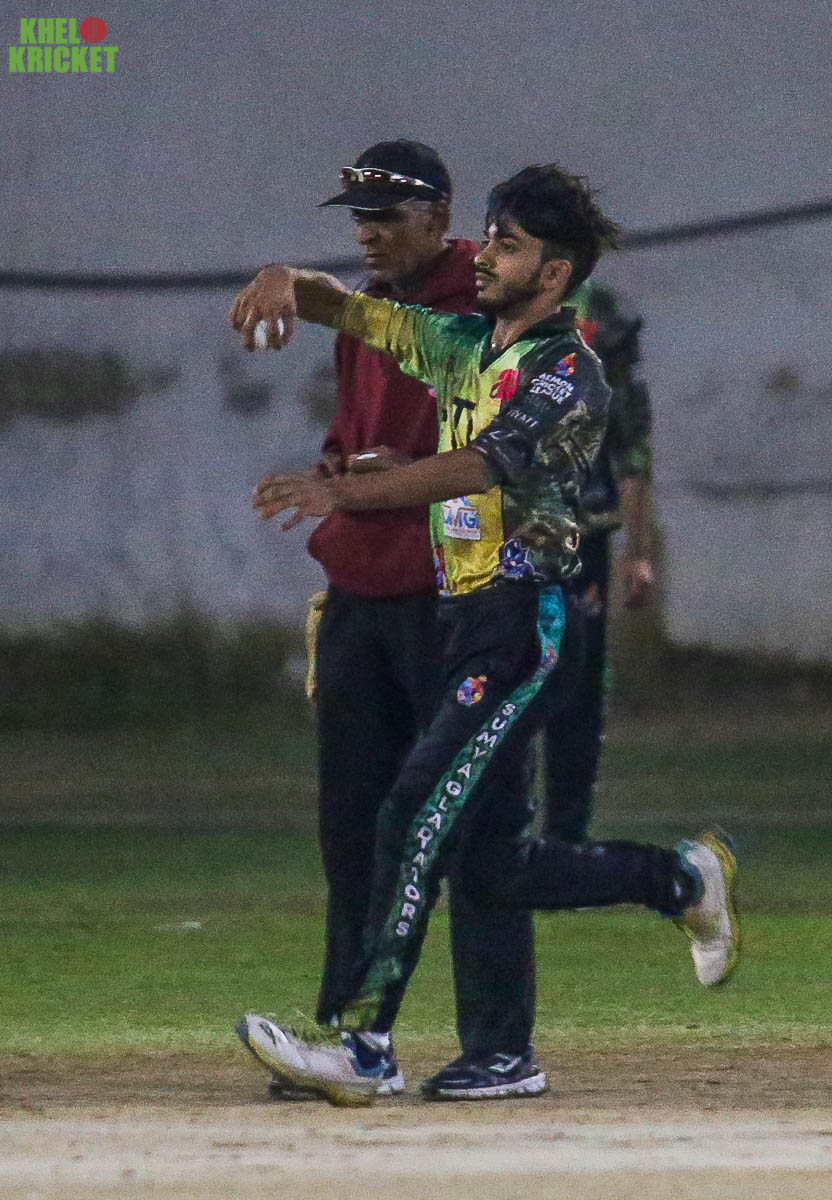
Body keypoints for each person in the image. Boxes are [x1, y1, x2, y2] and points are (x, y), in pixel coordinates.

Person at [231, 164, 741, 1106]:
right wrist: (285, 281)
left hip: (521, 629)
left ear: (553, 274)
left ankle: (364, 1048)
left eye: (508, 245)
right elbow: (355, 312)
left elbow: (479, 465)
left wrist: (346, 493)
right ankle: (679, 882)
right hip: (463, 617)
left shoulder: (568, 371)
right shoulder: (465, 343)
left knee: (408, 812)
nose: (486, 256)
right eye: (491, 236)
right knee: (495, 862)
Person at [243, 140, 544, 1102]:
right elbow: (355, 420)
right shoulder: (371, 311)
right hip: (364, 595)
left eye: (386, 216)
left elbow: (496, 455)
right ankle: (349, 1043)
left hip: (460, 595)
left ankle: (501, 1046)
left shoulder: (485, 305)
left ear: (440, 216)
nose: (369, 234)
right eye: (359, 219)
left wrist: (393, 477)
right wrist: (339, 472)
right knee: (353, 828)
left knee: (478, 825)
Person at [542, 282, 656, 842]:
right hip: (515, 545)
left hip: (582, 547)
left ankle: (564, 832)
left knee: (579, 686)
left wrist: (637, 552)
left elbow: (632, 464)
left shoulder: (615, 394)